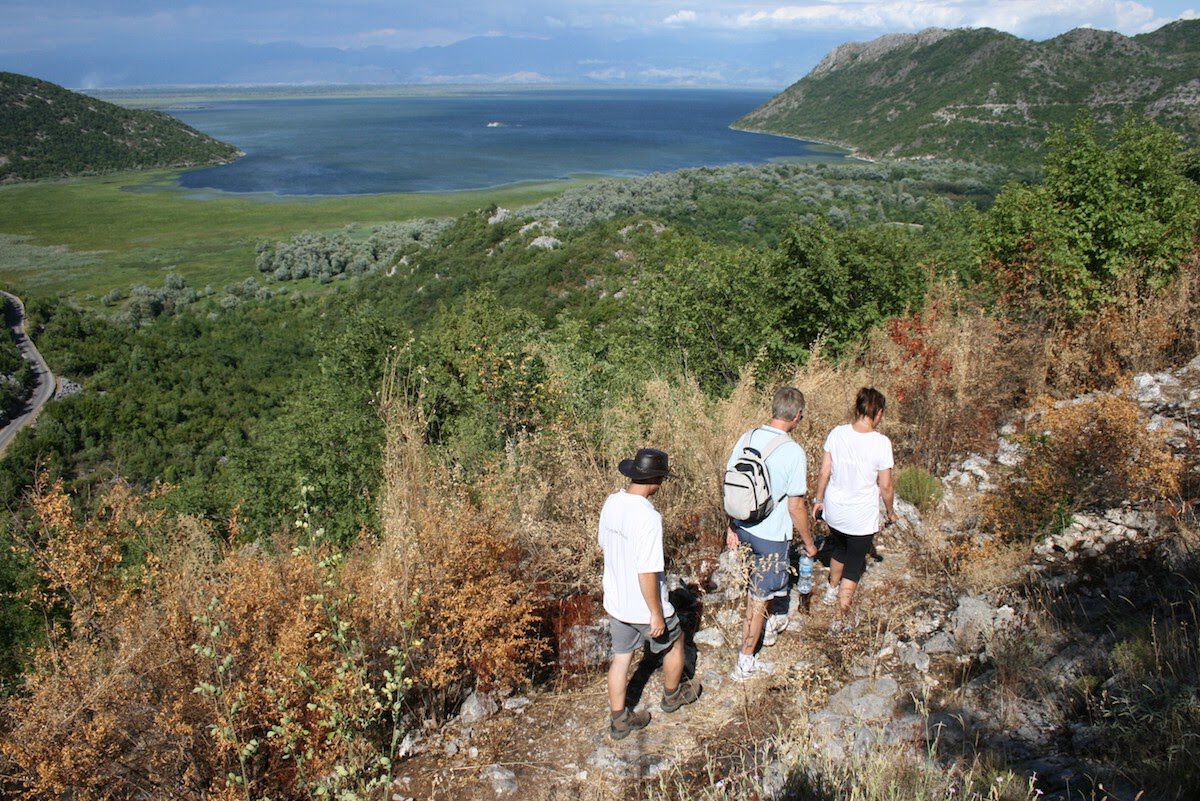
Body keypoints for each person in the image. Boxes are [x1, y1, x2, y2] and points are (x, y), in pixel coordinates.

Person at [599, 447, 701, 740]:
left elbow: (604, 545)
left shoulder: (612, 502)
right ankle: (672, 696)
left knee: (621, 657)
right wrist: (656, 612)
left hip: (616, 601)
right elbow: (647, 572)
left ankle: (618, 720)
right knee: (675, 641)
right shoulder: (648, 517)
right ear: (656, 481)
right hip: (643, 605)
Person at [724, 387, 818, 681]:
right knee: (757, 599)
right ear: (798, 416)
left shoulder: (748, 437)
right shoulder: (793, 452)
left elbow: (731, 483)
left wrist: (731, 525)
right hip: (771, 536)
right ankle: (745, 663)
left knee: (753, 589)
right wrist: (809, 543)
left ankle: (765, 630)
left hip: (742, 527)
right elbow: (796, 506)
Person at [812, 387, 896, 630]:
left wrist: (819, 499)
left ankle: (831, 590)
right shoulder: (881, 443)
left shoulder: (837, 433)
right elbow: (886, 485)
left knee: (838, 549)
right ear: (878, 413)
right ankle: (840, 617)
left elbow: (824, 470)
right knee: (855, 562)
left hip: (835, 509)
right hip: (860, 515)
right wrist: (890, 512)